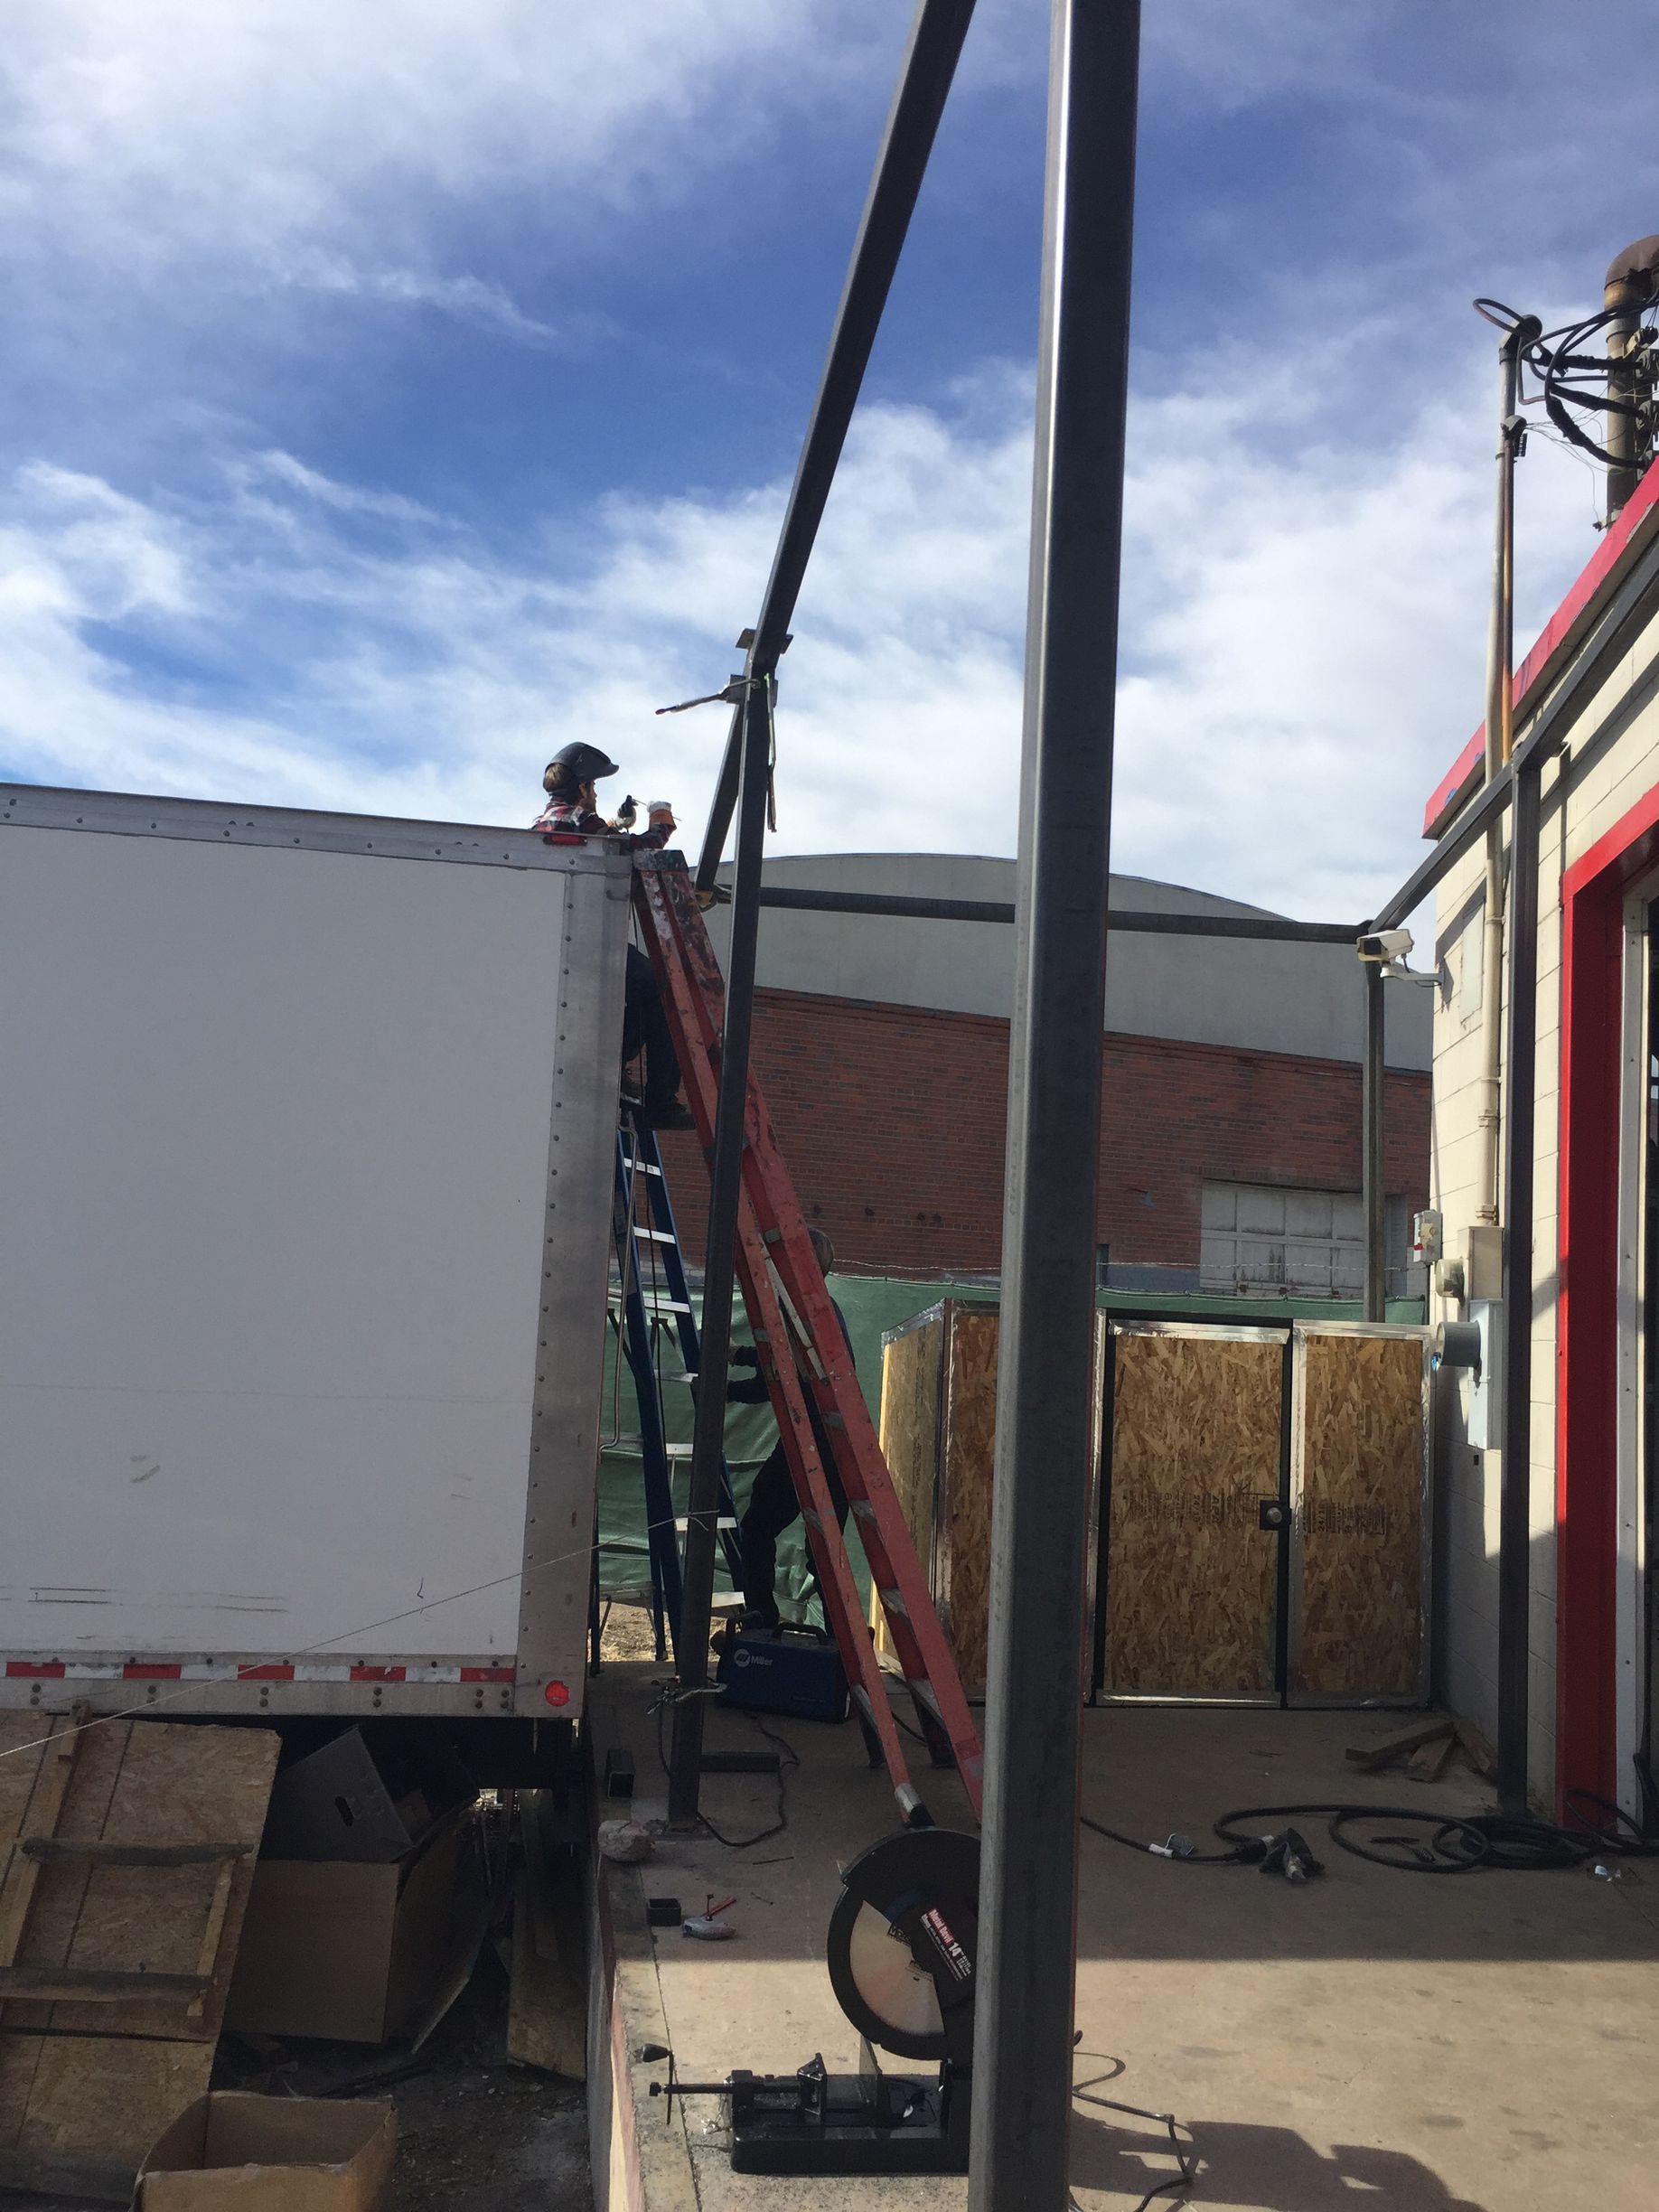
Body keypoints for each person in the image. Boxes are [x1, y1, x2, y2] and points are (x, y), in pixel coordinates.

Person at [534, 742, 694, 1132]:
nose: (597, 794)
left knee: (641, 989)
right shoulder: (581, 821)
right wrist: (662, 823)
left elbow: (597, 839)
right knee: (662, 987)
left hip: (556, 935)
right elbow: (637, 849)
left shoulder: (542, 822)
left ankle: (615, 1068)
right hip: (586, 936)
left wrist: (615, 825)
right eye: (595, 787)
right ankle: (659, 1100)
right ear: (585, 787)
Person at [726, 1226, 854, 1634]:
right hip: (832, 1442)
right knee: (823, 1551)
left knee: (758, 1528)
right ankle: (841, 1639)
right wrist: (738, 1355)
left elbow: (778, 1379)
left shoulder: (800, 1309)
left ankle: (762, 1622)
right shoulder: (822, 1307)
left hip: (812, 1443)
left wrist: (723, 1389)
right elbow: (780, 1357)